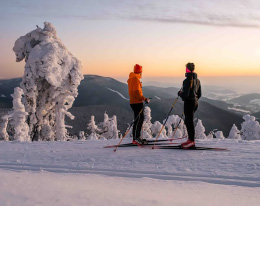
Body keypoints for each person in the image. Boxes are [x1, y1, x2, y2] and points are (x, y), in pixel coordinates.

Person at [178, 63, 201, 149]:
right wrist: (194, 99)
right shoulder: (197, 80)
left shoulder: (187, 80)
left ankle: (191, 141)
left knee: (189, 121)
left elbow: (185, 96)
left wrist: (180, 94)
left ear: (187, 69)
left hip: (189, 103)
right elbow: (199, 94)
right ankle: (190, 140)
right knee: (189, 121)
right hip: (195, 103)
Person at [127, 64, 150, 145]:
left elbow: (135, 92)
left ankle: (137, 137)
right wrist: (144, 99)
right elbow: (137, 92)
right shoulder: (136, 79)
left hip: (133, 102)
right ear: (140, 72)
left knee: (138, 119)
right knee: (139, 120)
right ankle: (136, 138)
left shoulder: (132, 79)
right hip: (137, 102)